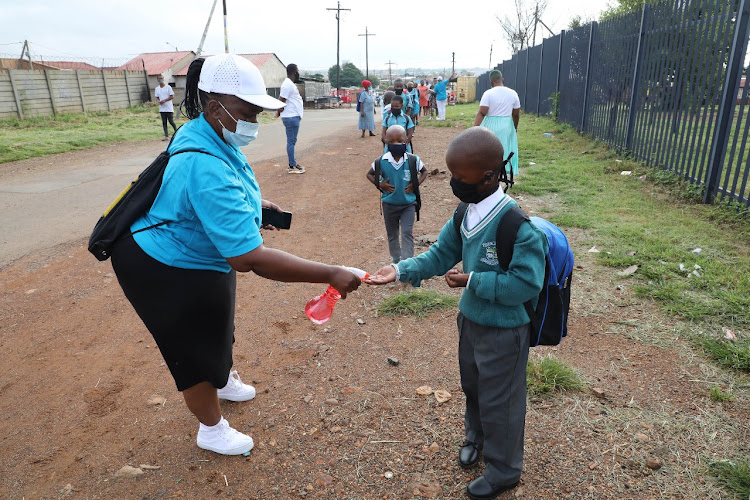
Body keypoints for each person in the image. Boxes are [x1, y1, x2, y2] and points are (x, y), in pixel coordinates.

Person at [110, 54, 361, 457]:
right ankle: (211, 428)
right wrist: (331, 272)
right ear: (215, 107)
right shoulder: (203, 160)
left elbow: (222, 190)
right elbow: (250, 259)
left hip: (201, 254)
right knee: (191, 346)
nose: (255, 123)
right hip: (161, 266)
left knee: (218, 320)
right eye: (249, 112)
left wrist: (254, 205)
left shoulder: (209, 132)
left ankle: (222, 376)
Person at [365, 127, 547, 500]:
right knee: (474, 388)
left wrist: (473, 280)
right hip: (470, 322)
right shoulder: (465, 211)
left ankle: (504, 470)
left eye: (460, 178)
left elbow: (525, 286)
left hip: (505, 330)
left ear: (489, 175)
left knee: (503, 400)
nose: (453, 183)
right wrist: (399, 270)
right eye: (451, 175)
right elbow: (440, 254)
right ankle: (475, 439)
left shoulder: (518, 227)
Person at [366, 125, 427, 264]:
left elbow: (424, 172)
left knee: (407, 233)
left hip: (408, 204)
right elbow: (369, 174)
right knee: (392, 234)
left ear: (406, 141)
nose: (396, 144)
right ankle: (395, 260)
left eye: (399, 141)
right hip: (389, 205)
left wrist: (415, 184)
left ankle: (407, 263)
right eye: (391, 141)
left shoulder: (413, 160)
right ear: (385, 142)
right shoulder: (381, 161)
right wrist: (379, 184)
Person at [474, 70, 521, 176]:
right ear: (502, 79)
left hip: (490, 124)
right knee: (504, 149)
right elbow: (516, 114)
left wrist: (474, 129)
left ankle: (488, 172)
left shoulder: (488, 93)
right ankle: (501, 172)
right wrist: (515, 127)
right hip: (506, 125)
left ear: (491, 82)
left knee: (489, 150)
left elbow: (482, 113)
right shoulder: (513, 93)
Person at [276, 63, 305, 174]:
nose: (298, 73)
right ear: (294, 71)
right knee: (291, 142)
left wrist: (278, 111)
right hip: (291, 117)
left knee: (292, 141)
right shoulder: (287, 84)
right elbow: (281, 99)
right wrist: (278, 110)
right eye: (297, 71)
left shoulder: (290, 84)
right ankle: (292, 166)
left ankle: (293, 164)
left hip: (293, 116)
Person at [155, 74, 177, 141]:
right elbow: (157, 97)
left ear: (163, 79)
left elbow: (172, 96)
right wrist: (159, 101)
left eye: (161, 78)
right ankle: (166, 136)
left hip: (168, 108)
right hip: (162, 108)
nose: (160, 80)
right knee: (164, 122)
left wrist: (165, 100)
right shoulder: (157, 89)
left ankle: (176, 132)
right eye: (159, 78)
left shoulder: (168, 87)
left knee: (171, 121)